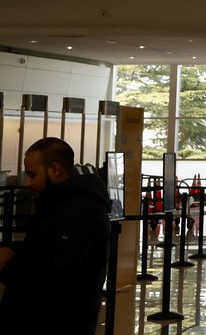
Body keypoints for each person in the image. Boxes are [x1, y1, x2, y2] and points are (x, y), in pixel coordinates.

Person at [0, 137, 111, 335]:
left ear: (55, 169)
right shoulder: (58, 204)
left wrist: (8, 265)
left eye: (32, 175)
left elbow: (56, 279)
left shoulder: (80, 210)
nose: (27, 182)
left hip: (57, 324)